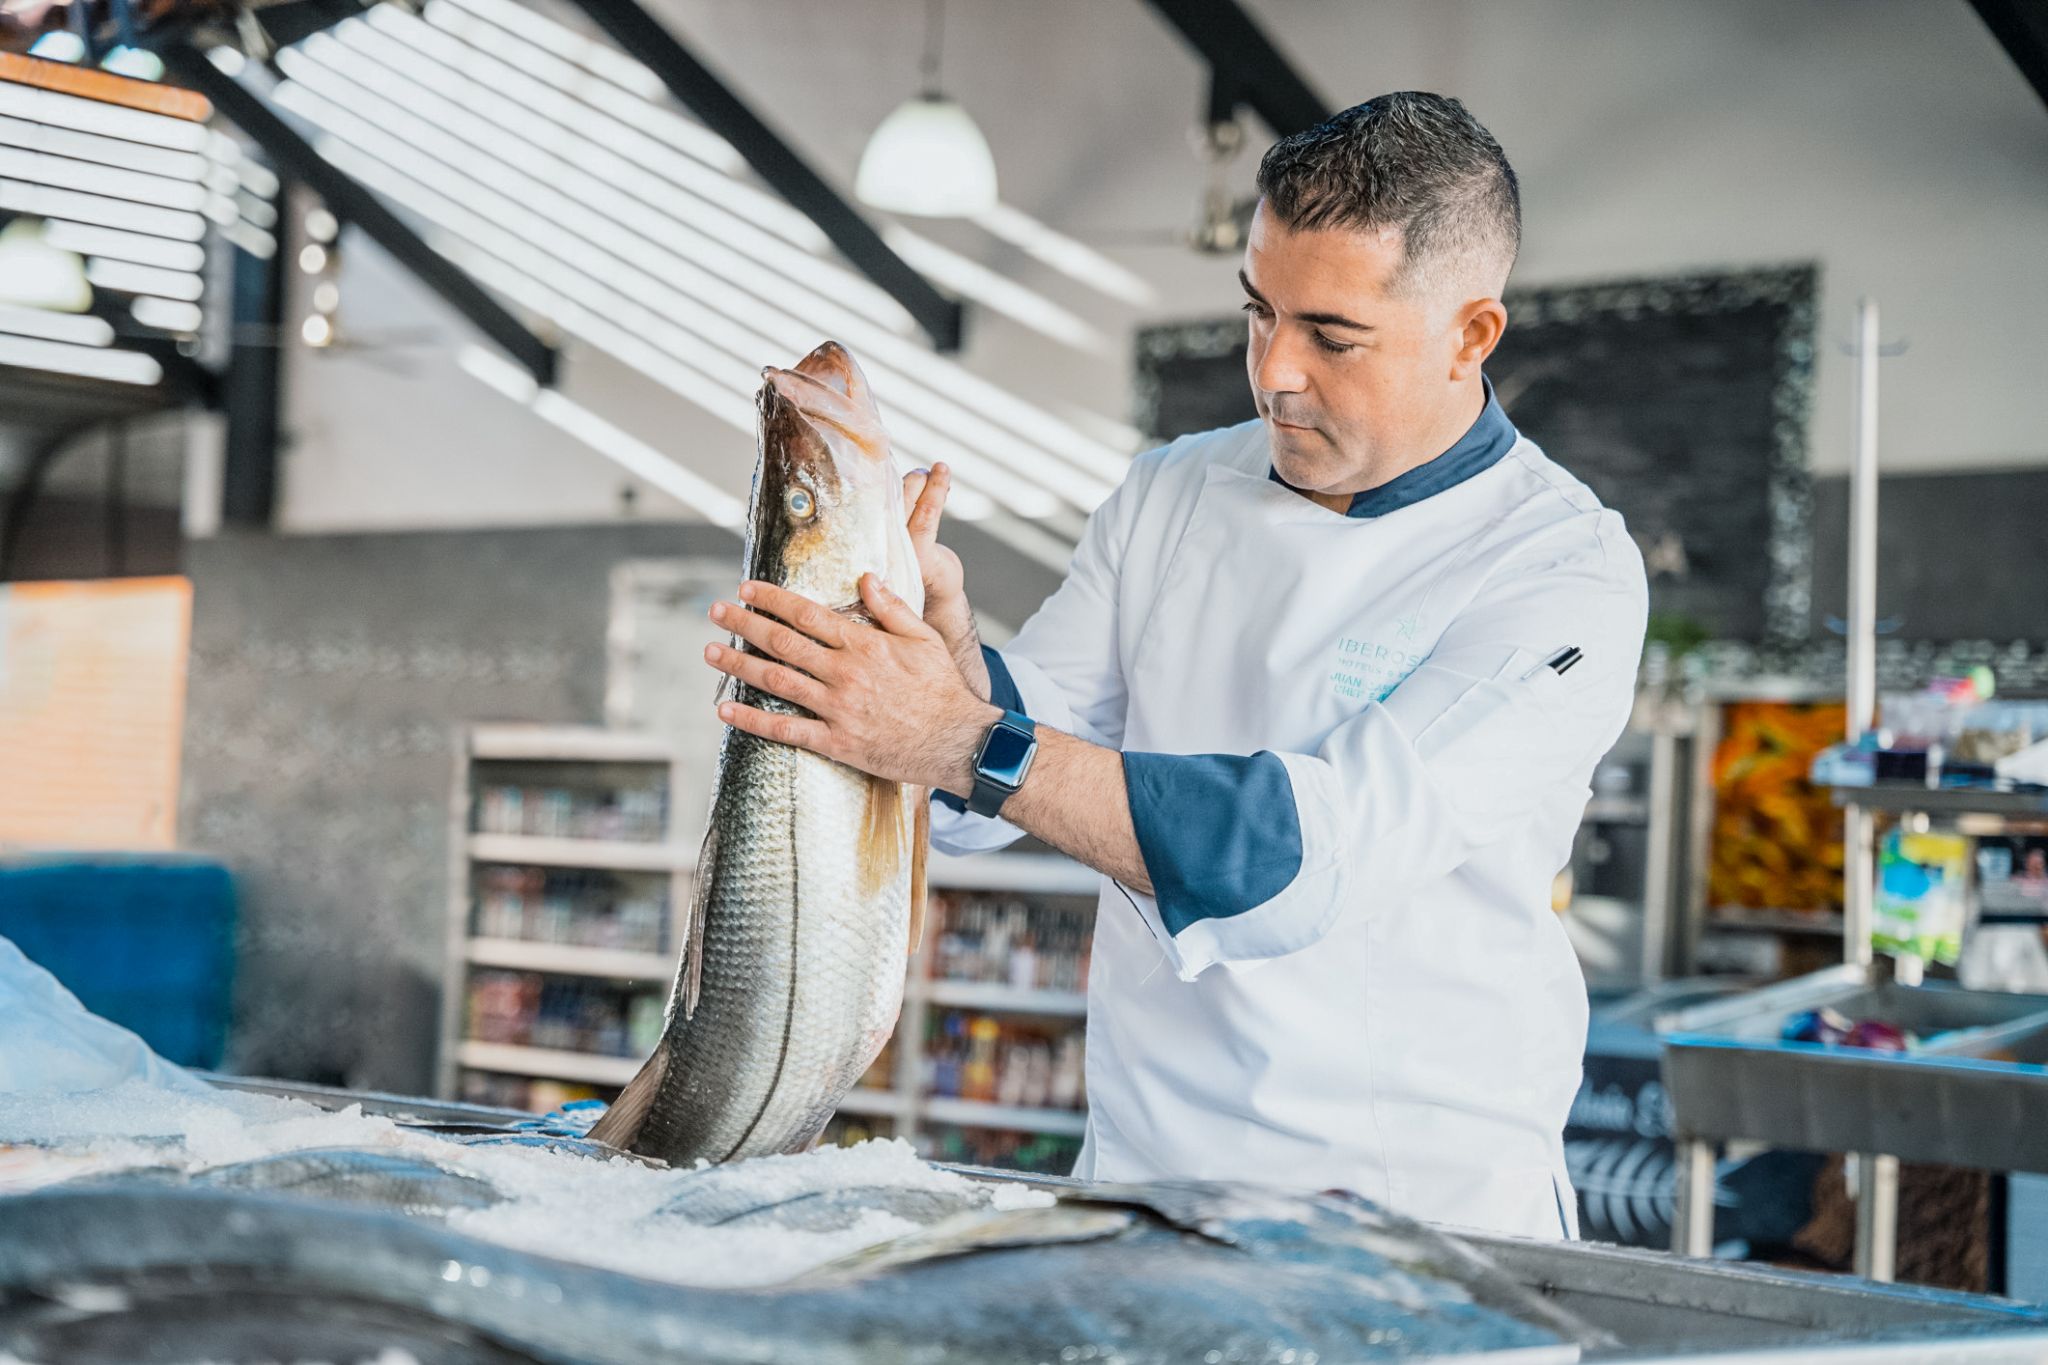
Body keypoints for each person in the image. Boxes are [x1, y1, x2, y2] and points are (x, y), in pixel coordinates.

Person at [701, 91, 1648, 1240]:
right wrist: (945, 661)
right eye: (1259, 313)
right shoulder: (1174, 489)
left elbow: (1300, 859)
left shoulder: (1559, 568)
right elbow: (1016, 746)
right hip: (1143, 1176)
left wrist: (949, 733)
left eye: (1331, 336)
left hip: (1412, 1207)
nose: (1273, 374)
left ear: (1470, 334)